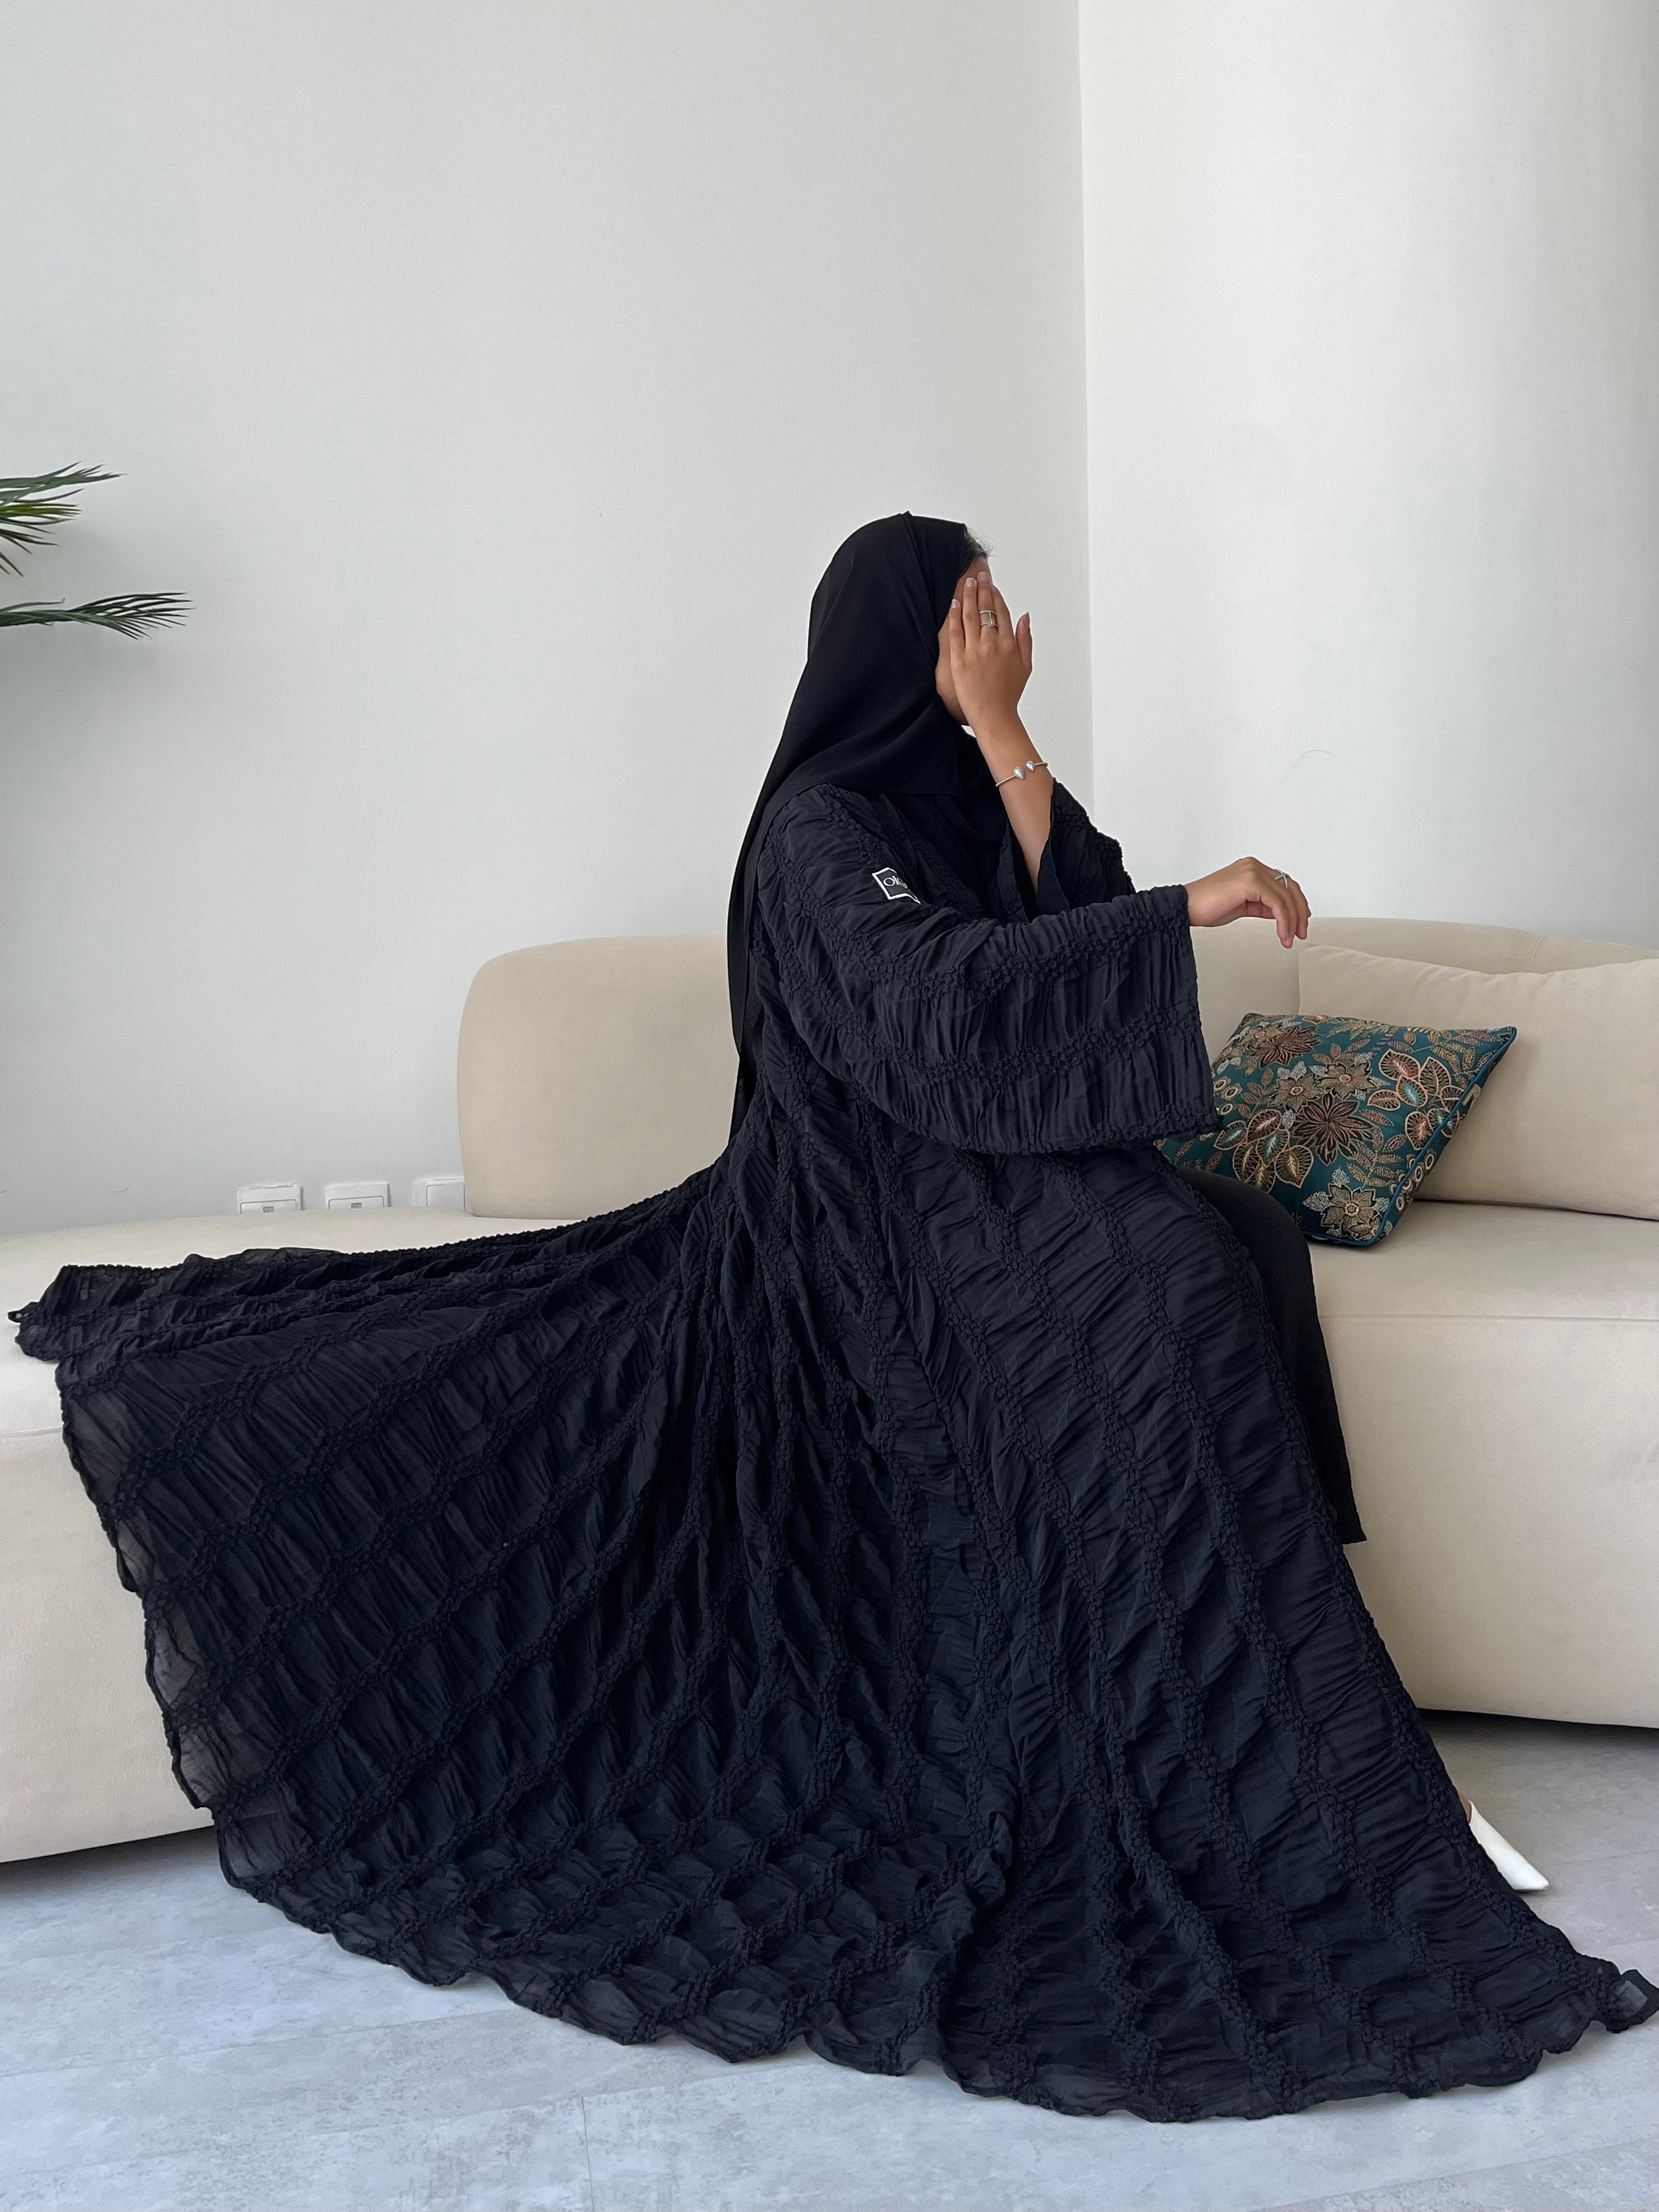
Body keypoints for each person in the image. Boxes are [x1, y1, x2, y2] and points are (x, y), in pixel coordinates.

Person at [12, 512, 1653, 2122]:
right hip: (860, 1202)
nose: (1001, 632)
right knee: (1137, 1290)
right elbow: (936, 1005)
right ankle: (1211, 1699)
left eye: (998, 608)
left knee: (1219, 1239)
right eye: (970, 608)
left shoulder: (962, 783)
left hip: (985, 1169)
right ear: (897, 636)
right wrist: (1130, 872)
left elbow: (1063, 903)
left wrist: (1014, 749)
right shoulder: (817, 824)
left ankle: (1272, 1661)